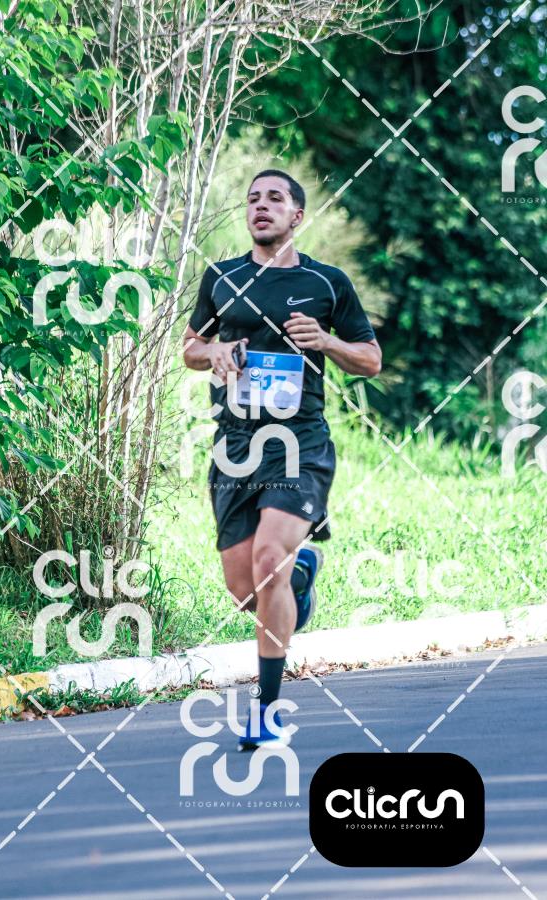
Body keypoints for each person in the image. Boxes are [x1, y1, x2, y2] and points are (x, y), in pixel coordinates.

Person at [183, 169, 381, 750]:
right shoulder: (222, 278)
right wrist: (215, 350)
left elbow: (370, 359)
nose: (261, 206)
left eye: (275, 198)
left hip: (300, 443)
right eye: (253, 199)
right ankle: (300, 576)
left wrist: (327, 341)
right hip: (235, 447)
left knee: (268, 559)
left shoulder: (327, 282)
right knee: (246, 589)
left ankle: (267, 712)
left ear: (297, 216)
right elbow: (191, 348)